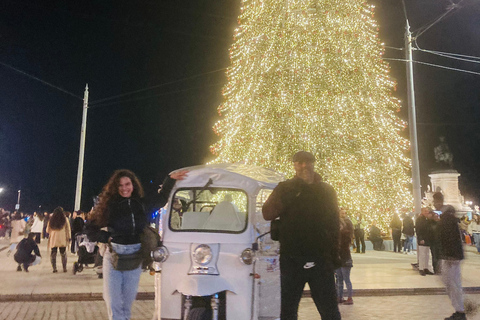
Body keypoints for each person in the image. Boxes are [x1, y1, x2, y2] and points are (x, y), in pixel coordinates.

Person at [88, 169, 187, 320]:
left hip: (134, 257)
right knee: (114, 303)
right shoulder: (109, 205)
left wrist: (169, 179)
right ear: (115, 187)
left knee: (126, 305)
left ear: (133, 185)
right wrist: (107, 236)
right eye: (120, 185)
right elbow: (90, 229)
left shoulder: (140, 203)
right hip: (113, 256)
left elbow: (161, 199)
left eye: (127, 184)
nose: (124, 188)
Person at [262, 151, 341, 320]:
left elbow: (334, 224)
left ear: (314, 163)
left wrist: (335, 255)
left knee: (330, 311)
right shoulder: (285, 188)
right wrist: (291, 191)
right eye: (299, 162)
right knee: (288, 311)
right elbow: (267, 213)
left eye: (308, 162)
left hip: (320, 258)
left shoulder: (326, 190)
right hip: (292, 259)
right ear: (294, 165)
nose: (304, 166)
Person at [433, 192, 466, 320]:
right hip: (450, 255)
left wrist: (451, 255)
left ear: (439, 202)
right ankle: (459, 309)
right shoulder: (447, 217)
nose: (434, 204)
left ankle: (460, 311)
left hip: (451, 256)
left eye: (435, 202)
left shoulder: (447, 218)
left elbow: (451, 238)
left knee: (452, 283)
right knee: (449, 282)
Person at [336, 208, 354, 305]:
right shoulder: (337, 236)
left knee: (346, 279)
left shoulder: (345, 235)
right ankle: (339, 297)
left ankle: (349, 298)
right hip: (339, 259)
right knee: (339, 279)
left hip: (345, 259)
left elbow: (345, 246)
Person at [47, 207, 71, 273]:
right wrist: (69, 237)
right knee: (63, 253)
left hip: (54, 238)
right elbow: (68, 229)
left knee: (53, 254)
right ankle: (64, 268)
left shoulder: (51, 220)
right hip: (62, 238)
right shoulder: (65, 219)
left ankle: (54, 268)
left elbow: (48, 230)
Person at [415, 208, 434, 276]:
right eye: (425, 211)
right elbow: (418, 229)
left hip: (427, 239)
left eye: (427, 211)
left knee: (427, 254)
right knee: (422, 254)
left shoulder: (427, 219)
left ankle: (426, 267)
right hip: (423, 239)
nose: (427, 212)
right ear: (422, 212)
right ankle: (421, 268)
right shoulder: (420, 219)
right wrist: (420, 239)